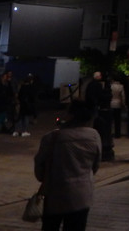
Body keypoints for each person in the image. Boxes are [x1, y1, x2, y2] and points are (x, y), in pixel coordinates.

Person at [34, 99, 101, 231]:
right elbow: (95, 166)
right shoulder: (94, 136)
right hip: (81, 195)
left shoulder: (51, 137)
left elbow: (39, 168)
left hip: (55, 194)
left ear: (70, 114)